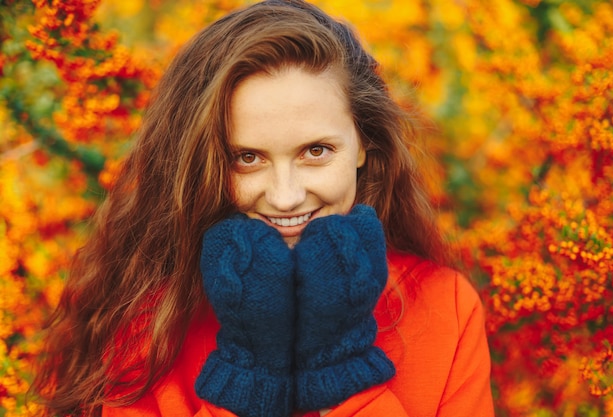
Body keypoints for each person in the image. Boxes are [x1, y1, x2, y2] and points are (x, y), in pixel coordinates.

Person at [31, 1, 495, 416]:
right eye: (246, 158)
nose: (286, 195)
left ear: (363, 146)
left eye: (316, 151)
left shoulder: (444, 307)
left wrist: (341, 368)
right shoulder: (151, 326)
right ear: (201, 164)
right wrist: (247, 377)